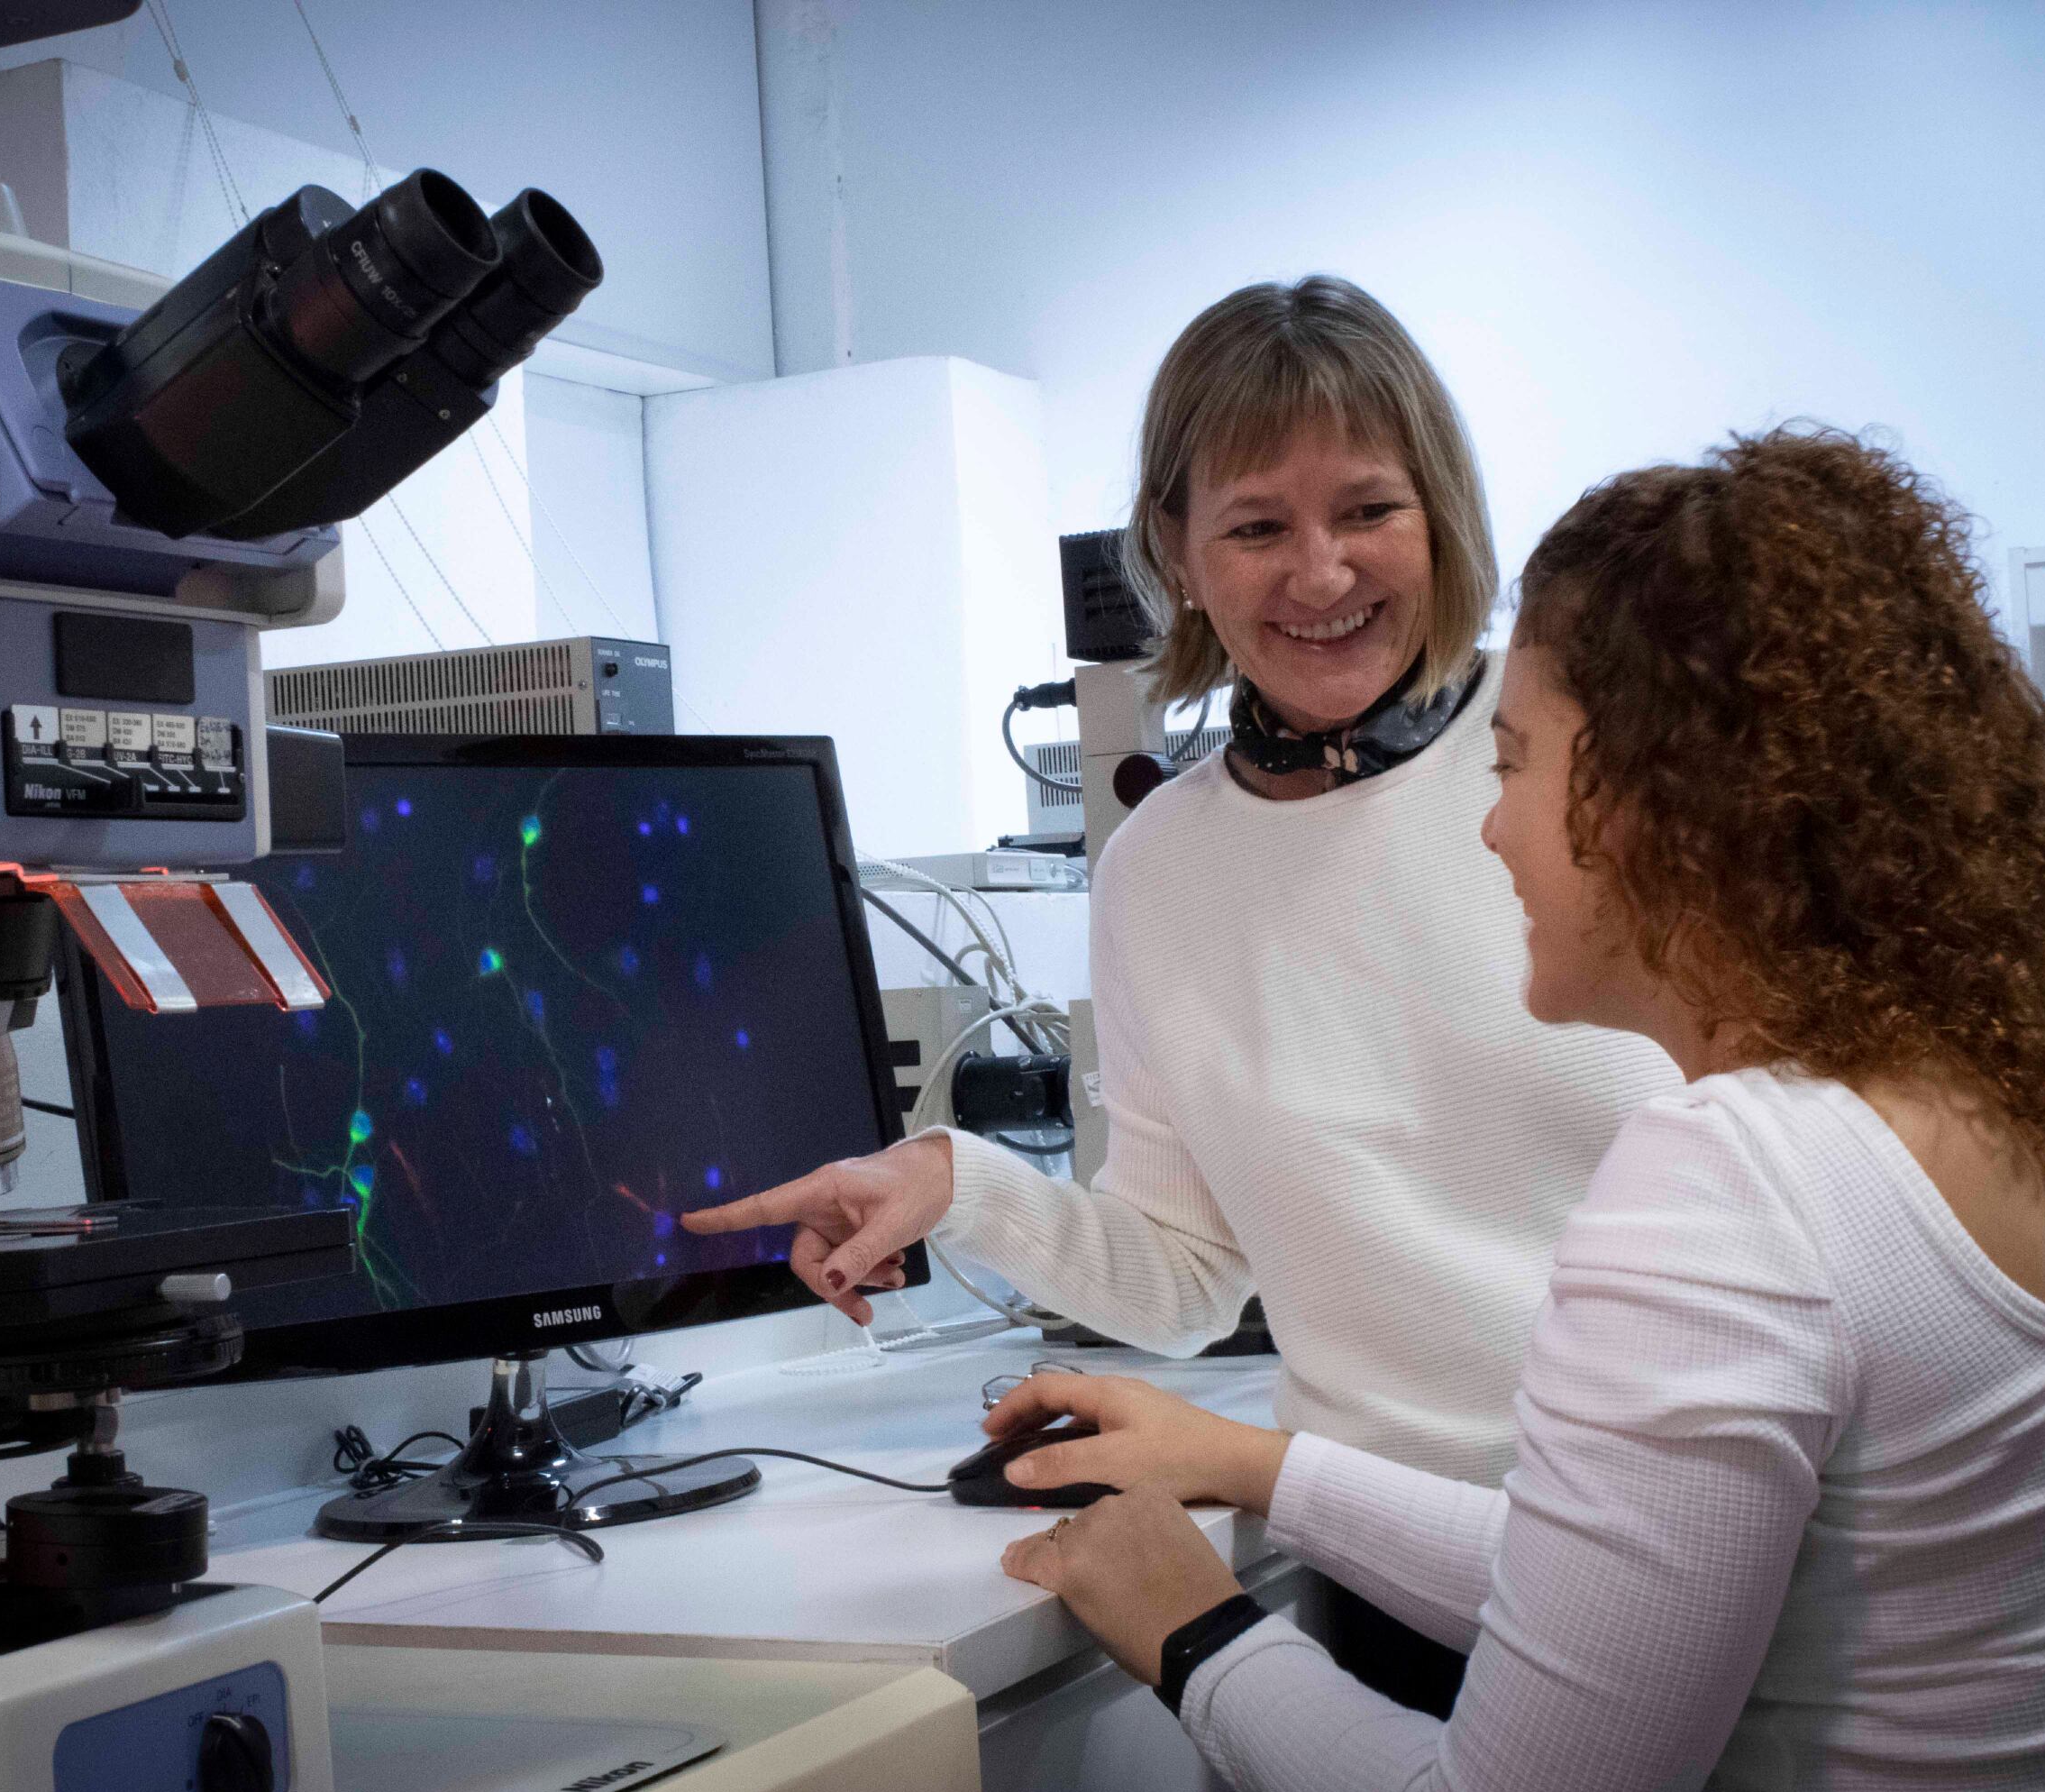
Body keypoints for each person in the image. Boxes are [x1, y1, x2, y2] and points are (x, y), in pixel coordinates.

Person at [983, 428, 2045, 1792]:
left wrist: (1196, 1632)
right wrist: (1260, 1467)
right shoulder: (2030, 1112)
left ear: (1670, 796)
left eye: (1510, 762)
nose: (1487, 831)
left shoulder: (1732, 1181)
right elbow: (1632, 1586)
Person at [685, 276, 1678, 1714]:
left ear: (1445, 514)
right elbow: (1186, 1282)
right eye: (1258, 526)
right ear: (1176, 551)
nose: (1321, 573)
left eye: (1369, 511)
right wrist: (958, 1183)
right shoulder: (1160, 868)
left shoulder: (1598, 768)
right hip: (1398, 1588)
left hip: (1699, 1549)